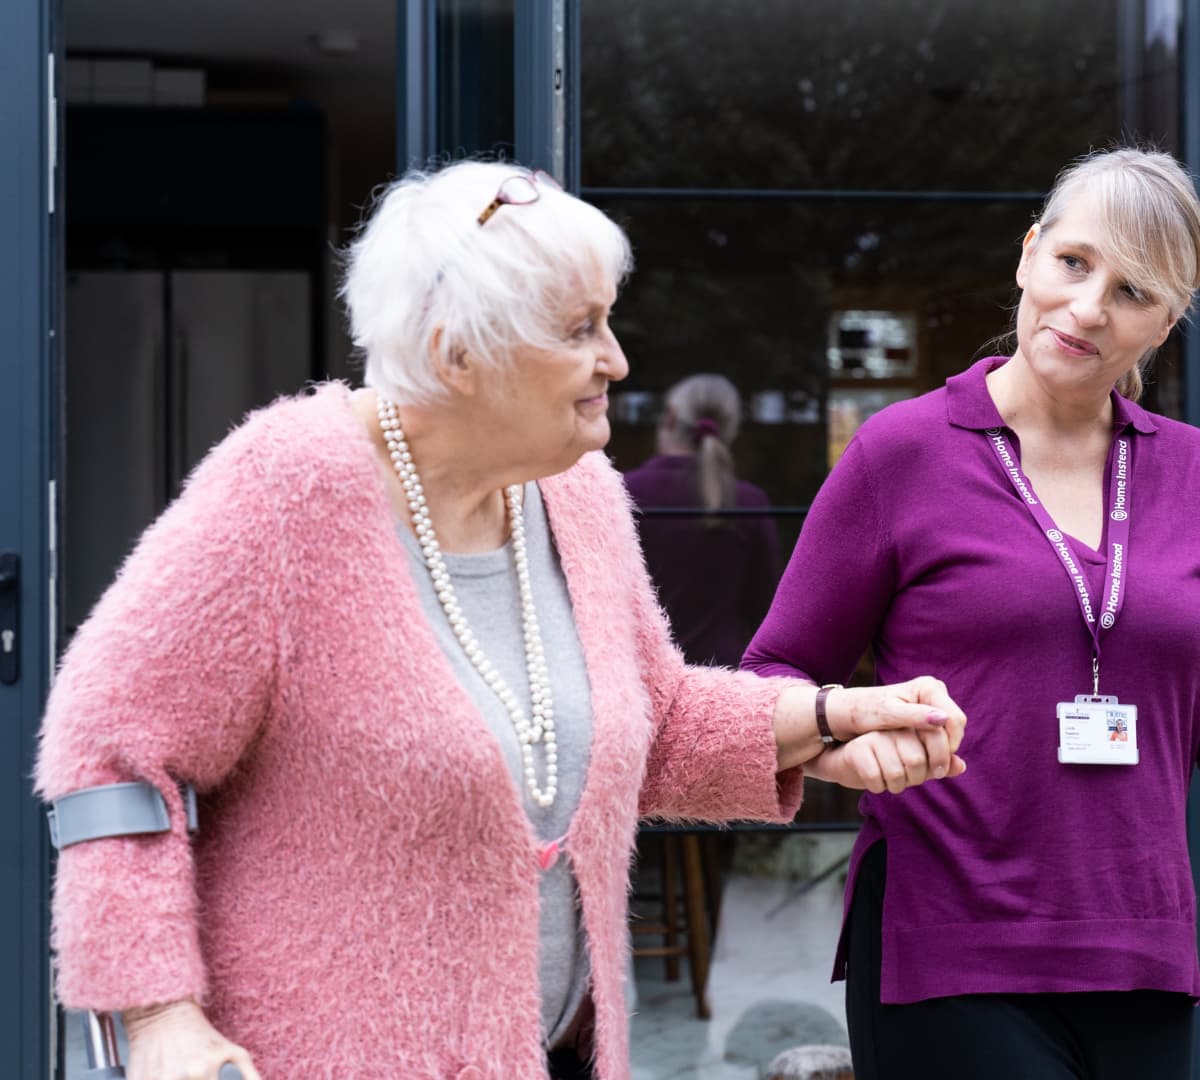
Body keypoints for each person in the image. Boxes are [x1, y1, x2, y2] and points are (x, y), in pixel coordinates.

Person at [36, 160, 966, 1080]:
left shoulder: (576, 492)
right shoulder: (286, 490)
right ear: (458, 355)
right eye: (580, 330)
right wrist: (157, 1016)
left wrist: (826, 720)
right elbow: (108, 753)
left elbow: (656, 719)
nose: (617, 360)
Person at [743, 146, 1200, 1080]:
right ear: (1029, 254)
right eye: (1074, 262)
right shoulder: (901, 453)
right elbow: (769, 679)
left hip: (1147, 952)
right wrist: (839, 746)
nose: (1087, 308)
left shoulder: (1192, 473)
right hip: (947, 947)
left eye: (1131, 291)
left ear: (1165, 323)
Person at [623, 373, 780, 668]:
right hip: (722, 676)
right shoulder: (748, 501)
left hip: (639, 674)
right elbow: (767, 612)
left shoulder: (623, 492)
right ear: (731, 430)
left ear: (670, 417)